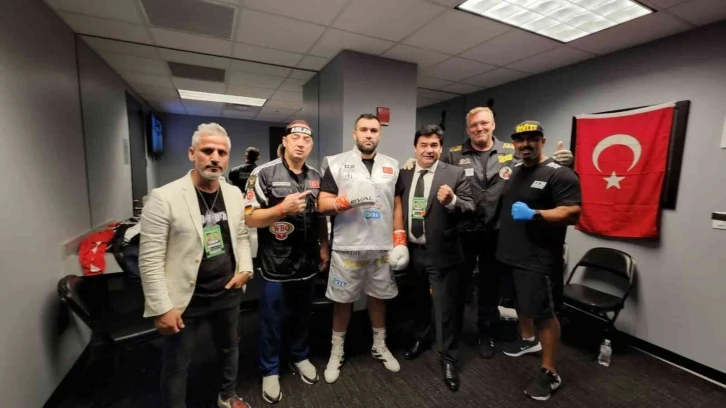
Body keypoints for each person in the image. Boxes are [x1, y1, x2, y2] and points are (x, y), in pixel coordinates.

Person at [403, 107, 574, 358]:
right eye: (473, 125)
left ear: (493, 124)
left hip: (497, 232)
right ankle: (453, 333)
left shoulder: (511, 151)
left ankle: (486, 333)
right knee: (456, 288)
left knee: (490, 287)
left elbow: (535, 166)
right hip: (462, 233)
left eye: (484, 123)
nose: (479, 128)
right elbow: (433, 168)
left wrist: (560, 163)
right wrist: (412, 165)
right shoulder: (454, 153)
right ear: (468, 129)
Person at [139, 123, 253, 408]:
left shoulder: (233, 194)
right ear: (192, 153)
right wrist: (161, 307)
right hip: (186, 298)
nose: (215, 158)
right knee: (178, 363)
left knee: (230, 348)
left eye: (221, 153)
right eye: (207, 151)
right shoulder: (164, 197)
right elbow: (150, 259)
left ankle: (227, 396)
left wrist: (245, 269)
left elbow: (240, 235)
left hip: (227, 291)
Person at [317, 113, 409, 384]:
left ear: (379, 134)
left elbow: (397, 206)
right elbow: (322, 204)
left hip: (381, 247)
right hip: (348, 246)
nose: (369, 134)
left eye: (374, 130)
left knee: (378, 298)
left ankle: (379, 345)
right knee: (342, 301)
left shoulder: (392, 165)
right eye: (364, 130)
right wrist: (345, 201)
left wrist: (400, 240)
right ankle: (337, 351)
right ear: (354, 133)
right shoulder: (336, 163)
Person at [244, 120, 329, 404]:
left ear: (311, 145)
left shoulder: (316, 176)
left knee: (303, 315)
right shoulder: (263, 173)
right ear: (285, 141)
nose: (300, 144)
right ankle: (270, 370)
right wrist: (281, 209)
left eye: (306, 140)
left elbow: (320, 216)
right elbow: (249, 218)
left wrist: (324, 245)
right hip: (275, 264)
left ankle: (300, 356)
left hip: (307, 262)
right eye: (295, 138)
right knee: (272, 320)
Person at [496, 121, 581, 401]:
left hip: (539, 259)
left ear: (542, 141)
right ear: (514, 143)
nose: (525, 144)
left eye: (532, 139)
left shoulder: (560, 173)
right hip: (510, 253)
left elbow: (572, 213)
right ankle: (527, 339)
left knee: (545, 313)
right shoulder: (515, 170)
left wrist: (536, 214)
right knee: (521, 303)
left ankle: (549, 371)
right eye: (520, 140)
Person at [395, 124, 474, 391]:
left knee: (445, 308)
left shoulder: (454, 173)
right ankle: (421, 337)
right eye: (424, 145)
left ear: (441, 148)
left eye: (434, 145)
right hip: (413, 251)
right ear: (415, 148)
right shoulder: (404, 173)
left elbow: (470, 206)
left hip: (442, 253)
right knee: (418, 301)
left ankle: (449, 358)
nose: (429, 150)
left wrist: (452, 200)